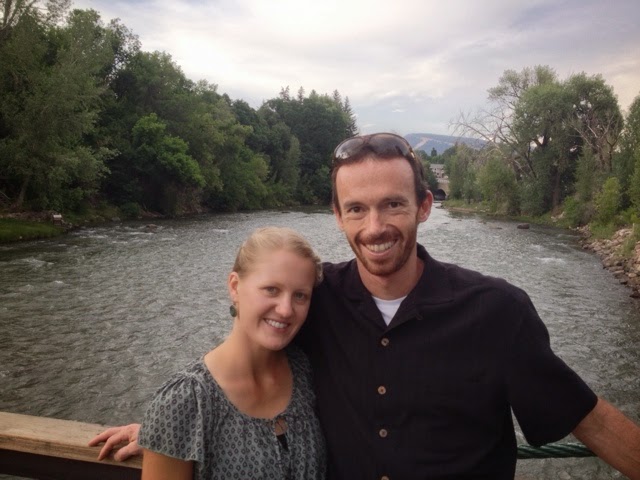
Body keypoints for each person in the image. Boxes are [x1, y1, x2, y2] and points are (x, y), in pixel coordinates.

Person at [91, 133, 640, 479]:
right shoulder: (315, 299)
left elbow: (588, 419)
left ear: (425, 206)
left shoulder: (496, 312)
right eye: (356, 209)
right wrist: (176, 426)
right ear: (337, 216)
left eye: (392, 205)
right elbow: (250, 361)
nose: (374, 227)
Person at [113, 226, 326, 479]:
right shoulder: (186, 402)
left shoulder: (305, 370)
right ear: (235, 287)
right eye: (271, 289)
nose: (286, 309)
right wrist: (161, 430)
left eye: (300, 295)